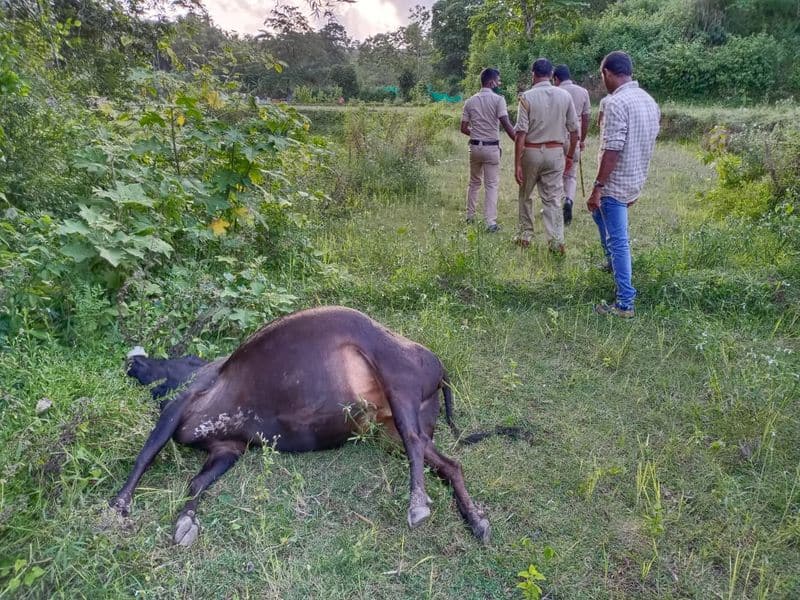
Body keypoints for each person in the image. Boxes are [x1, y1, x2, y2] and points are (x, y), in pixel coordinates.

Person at [587, 51, 660, 318]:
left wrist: (598, 187)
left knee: (619, 240)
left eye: (601, 76)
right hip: (634, 179)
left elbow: (612, 149)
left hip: (615, 184)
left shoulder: (616, 103)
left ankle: (625, 303)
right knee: (599, 216)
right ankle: (611, 264)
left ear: (607, 73)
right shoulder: (648, 101)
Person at [514, 58, 579, 253]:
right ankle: (556, 241)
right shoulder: (565, 96)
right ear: (551, 75)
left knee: (525, 194)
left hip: (532, 151)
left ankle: (526, 235)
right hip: (555, 152)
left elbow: (521, 133)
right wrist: (569, 156)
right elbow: (574, 131)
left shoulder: (526, 97)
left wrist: (517, 162)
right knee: (552, 198)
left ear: (533, 74)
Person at [461, 68, 516, 232]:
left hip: (475, 147)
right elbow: (506, 124)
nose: (499, 83)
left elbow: (463, 128)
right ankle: (490, 222)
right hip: (491, 148)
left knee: (474, 183)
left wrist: (476, 134)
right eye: (498, 80)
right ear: (491, 82)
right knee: (491, 185)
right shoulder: (499, 100)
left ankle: (470, 216)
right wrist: (519, 141)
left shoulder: (470, 101)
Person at [553, 65, 590, 226]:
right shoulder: (583, 92)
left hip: (556, 138)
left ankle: (554, 205)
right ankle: (568, 200)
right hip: (575, 137)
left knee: (555, 174)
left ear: (556, 79)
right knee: (571, 174)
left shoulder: (554, 93)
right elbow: (586, 117)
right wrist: (582, 140)